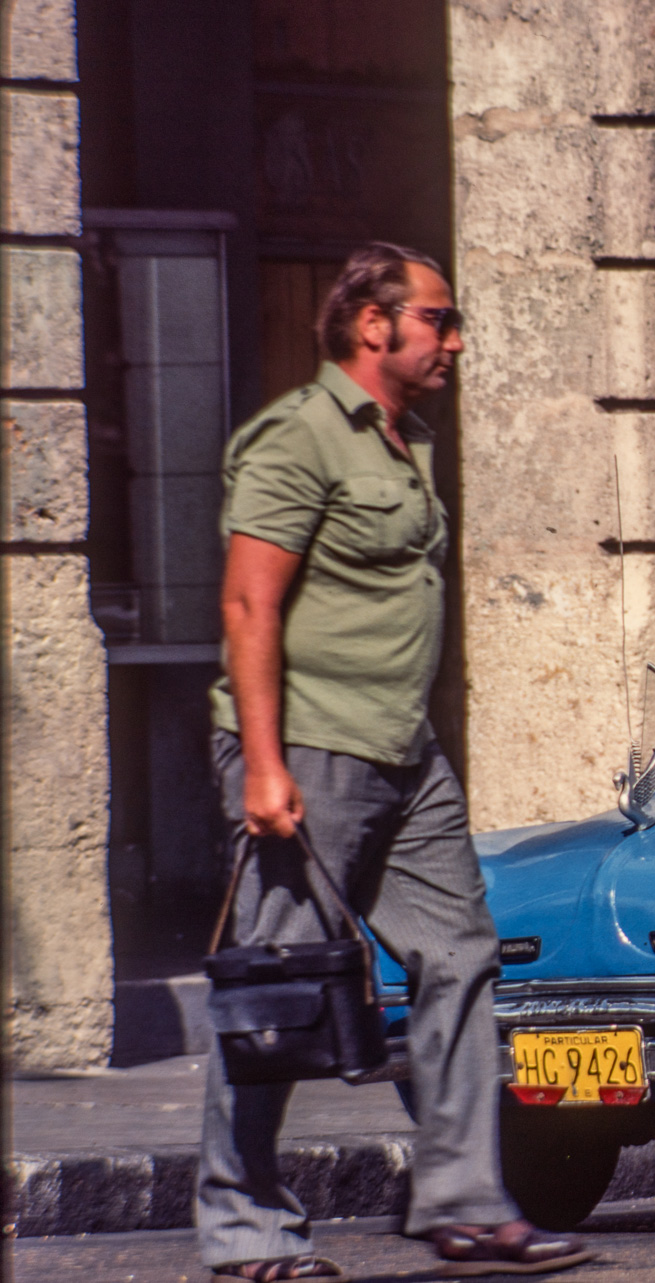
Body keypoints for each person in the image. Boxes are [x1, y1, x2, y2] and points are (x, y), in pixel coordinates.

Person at [200, 243, 592, 1281]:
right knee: (277, 992)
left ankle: (464, 1199)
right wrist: (264, 765)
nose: (455, 340)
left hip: (404, 753)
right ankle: (246, 1230)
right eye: (440, 319)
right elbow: (249, 604)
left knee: (461, 951)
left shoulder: (406, 440)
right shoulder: (294, 440)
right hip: (311, 747)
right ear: (374, 324)